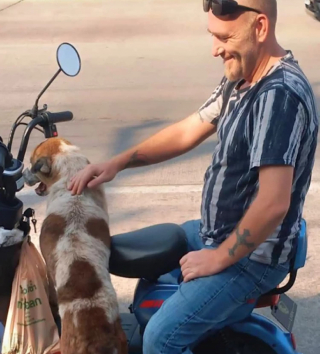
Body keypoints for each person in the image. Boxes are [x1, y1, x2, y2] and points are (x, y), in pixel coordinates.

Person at [68, 0, 318, 352]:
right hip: (214, 233)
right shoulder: (244, 76)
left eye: (224, 37)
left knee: (161, 337)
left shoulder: (279, 96)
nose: (214, 49)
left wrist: (218, 258)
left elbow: (274, 202)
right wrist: (117, 163)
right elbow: (190, 129)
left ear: (260, 28)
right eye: (211, 35)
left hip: (252, 258)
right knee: (112, 251)